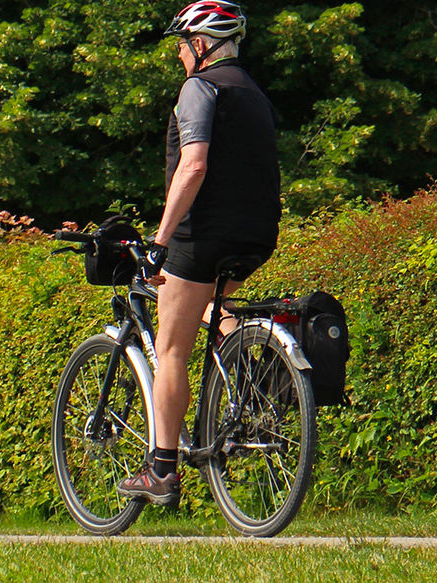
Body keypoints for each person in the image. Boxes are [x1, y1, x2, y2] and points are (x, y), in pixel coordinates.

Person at [117, 0, 282, 505]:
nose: (180, 58)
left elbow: (193, 166)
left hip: (201, 236)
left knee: (171, 349)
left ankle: (162, 470)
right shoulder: (255, 94)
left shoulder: (199, 87)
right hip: (257, 235)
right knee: (212, 307)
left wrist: (161, 241)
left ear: (202, 45)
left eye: (182, 47)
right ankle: (251, 370)